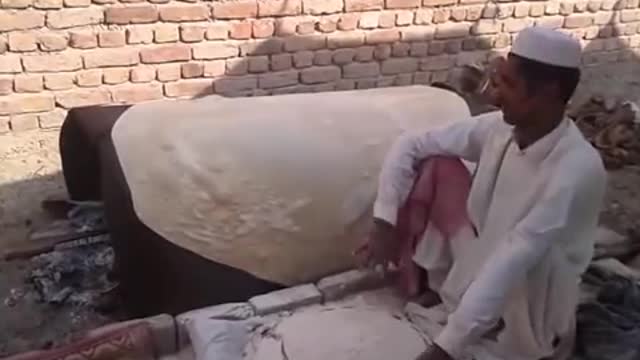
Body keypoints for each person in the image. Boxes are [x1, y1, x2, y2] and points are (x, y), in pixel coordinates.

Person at [361, 27, 607, 360]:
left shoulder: (577, 168)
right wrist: (384, 220)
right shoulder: (499, 129)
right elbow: (411, 143)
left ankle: (476, 322)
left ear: (548, 92)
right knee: (436, 164)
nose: (494, 96)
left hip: (531, 306)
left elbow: (514, 258)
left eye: (508, 85)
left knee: (523, 262)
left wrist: (445, 348)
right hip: (486, 265)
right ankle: (451, 296)